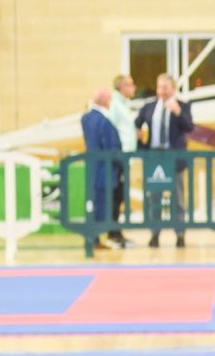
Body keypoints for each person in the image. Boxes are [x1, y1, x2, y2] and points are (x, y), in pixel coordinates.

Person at [135, 73, 193, 248]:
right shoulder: (149, 106)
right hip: (154, 158)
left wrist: (178, 112)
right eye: (159, 87)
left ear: (173, 88)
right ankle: (155, 234)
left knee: (178, 199)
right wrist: (140, 140)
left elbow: (190, 126)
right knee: (154, 198)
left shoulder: (183, 105)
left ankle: (180, 234)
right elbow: (137, 124)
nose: (162, 91)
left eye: (165, 87)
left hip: (174, 159)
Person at [79, 88, 122, 251]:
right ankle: (93, 238)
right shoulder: (104, 121)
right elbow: (111, 147)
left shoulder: (86, 118)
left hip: (93, 168)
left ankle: (93, 238)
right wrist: (120, 163)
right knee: (101, 205)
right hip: (105, 169)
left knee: (93, 203)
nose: (110, 102)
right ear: (103, 100)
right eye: (109, 99)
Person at [108, 75, 139, 246]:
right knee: (115, 195)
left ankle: (117, 232)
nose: (133, 87)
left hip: (125, 158)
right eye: (130, 85)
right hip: (118, 158)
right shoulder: (114, 104)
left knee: (120, 196)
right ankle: (113, 233)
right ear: (121, 87)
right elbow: (112, 129)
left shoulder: (123, 104)